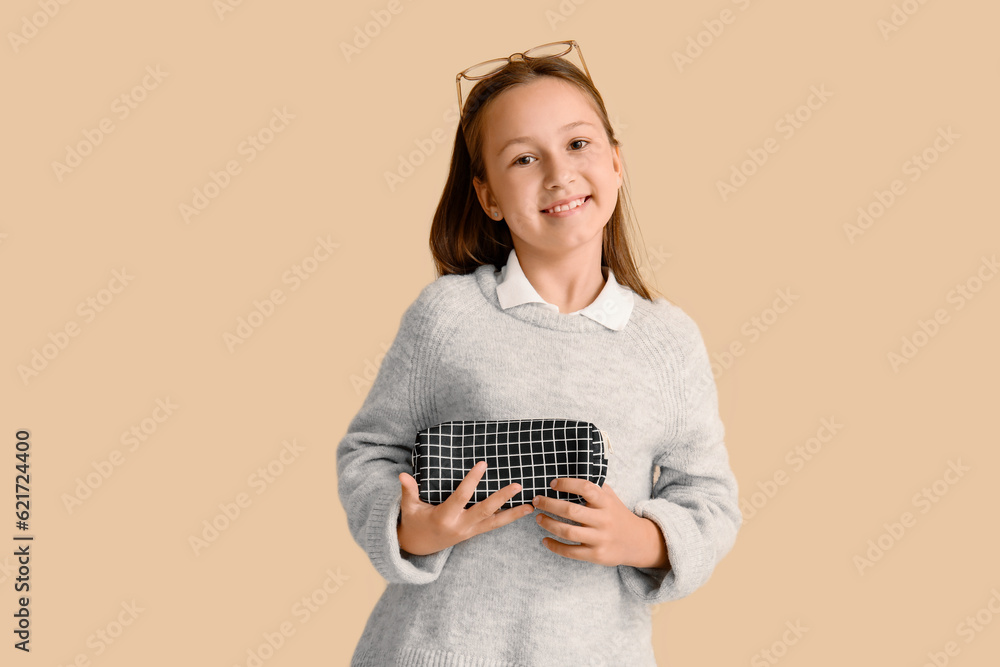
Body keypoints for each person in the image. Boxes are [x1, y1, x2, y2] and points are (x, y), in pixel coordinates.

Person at [336, 40, 741, 667]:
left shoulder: (668, 342)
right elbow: (369, 450)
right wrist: (410, 529)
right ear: (489, 196)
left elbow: (708, 498)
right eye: (523, 158)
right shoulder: (447, 316)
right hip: (430, 649)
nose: (558, 173)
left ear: (615, 162)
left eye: (578, 144)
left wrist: (642, 538)